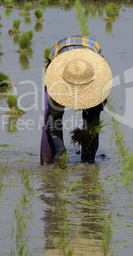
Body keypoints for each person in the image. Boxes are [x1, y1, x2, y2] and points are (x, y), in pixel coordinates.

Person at [40, 35, 113, 165]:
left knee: (92, 120)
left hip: (91, 56)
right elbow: (54, 122)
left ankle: (89, 160)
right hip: (59, 55)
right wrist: (60, 150)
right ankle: (47, 161)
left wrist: (87, 133)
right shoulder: (58, 85)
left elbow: (95, 117)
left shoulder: (98, 82)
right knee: (50, 116)